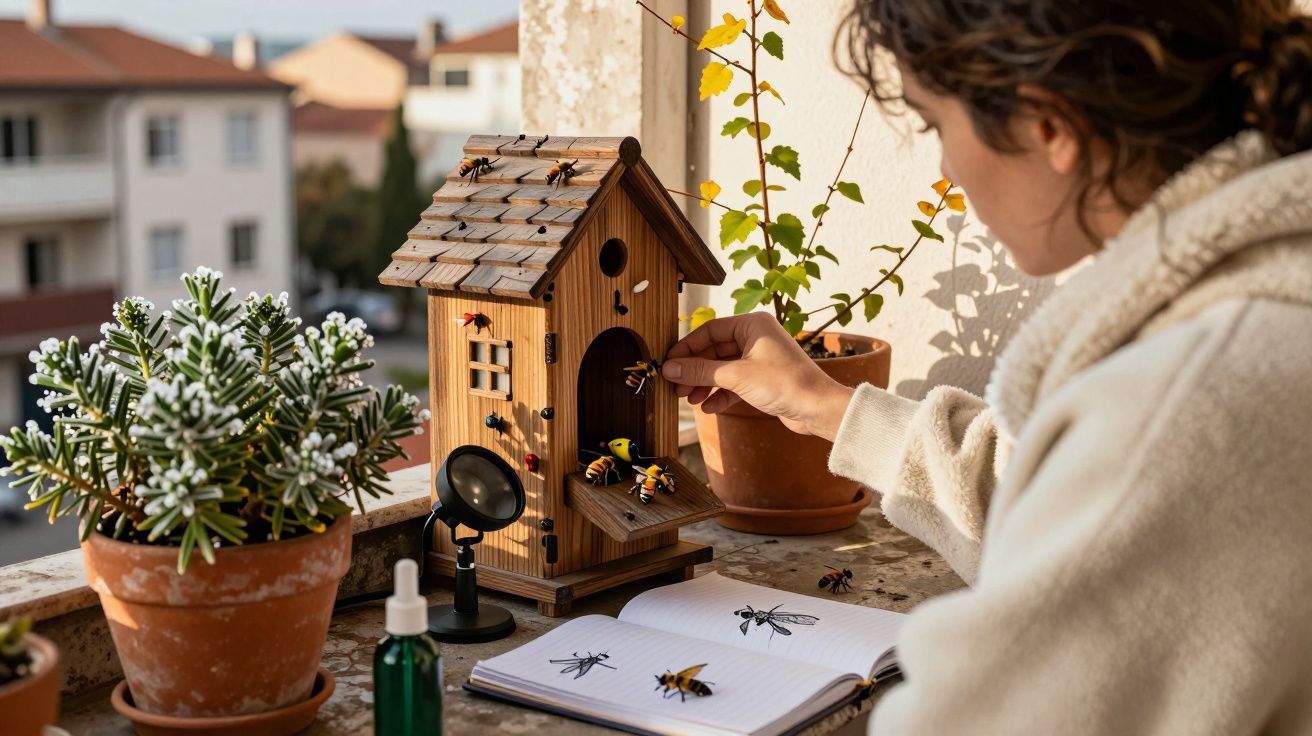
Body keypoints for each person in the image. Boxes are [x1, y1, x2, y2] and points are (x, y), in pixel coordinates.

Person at [662, 1, 1312, 733]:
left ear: (1047, 126)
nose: (945, 168)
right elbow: (1064, 501)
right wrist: (823, 404)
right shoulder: (1265, 313)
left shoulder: (1183, 403)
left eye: (937, 124)